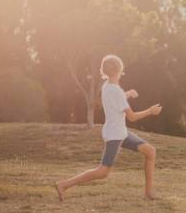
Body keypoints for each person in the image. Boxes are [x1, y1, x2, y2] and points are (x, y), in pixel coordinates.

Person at [55, 55, 162, 201]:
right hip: (115, 135)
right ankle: (63, 185)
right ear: (120, 70)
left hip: (120, 132)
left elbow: (116, 99)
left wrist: (127, 94)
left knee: (150, 151)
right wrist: (150, 111)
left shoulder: (107, 86)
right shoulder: (116, 91)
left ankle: (149, 193)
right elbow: (132, 117)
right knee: (103, 172)